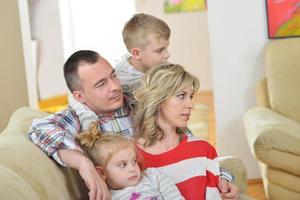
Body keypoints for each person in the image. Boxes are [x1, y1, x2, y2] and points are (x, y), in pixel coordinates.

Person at [28, 50, 239, 200]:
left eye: (113, 76)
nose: (114, 87)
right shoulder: (77, 117)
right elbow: (39, 130)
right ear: (80, 96)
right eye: (101, 84)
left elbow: (189, 150)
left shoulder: (136, 102)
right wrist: (85, 165)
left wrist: (223, 178)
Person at [134, 63, 239, 200]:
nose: (191, 104)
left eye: (191, 96)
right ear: (158, 99)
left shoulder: (203, 149)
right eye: (181, 96)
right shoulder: (132, 156)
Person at [76, 121, 184, 200]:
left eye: (134, 161)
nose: (133, 169)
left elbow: (175, 197)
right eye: (123, 165)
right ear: (102, 172)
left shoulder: (152, 176)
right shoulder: (105, 197)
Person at [115, 13, 170, 98]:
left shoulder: (159, 66)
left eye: (166, 49)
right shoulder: (120, 81)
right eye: (160, 50)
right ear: (136, 54)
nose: (167, 55)